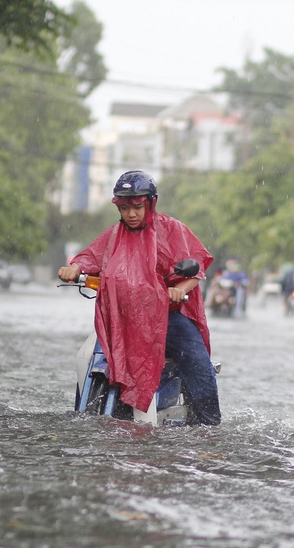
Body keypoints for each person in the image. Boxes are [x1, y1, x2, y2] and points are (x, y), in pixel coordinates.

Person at [58, 170, 221, 425]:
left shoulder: (171, 229)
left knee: (197, 361)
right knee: (87, 356)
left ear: (150, 203)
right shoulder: (113, 236)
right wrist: (75, 268)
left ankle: (209, 425)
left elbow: (197, 267)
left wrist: (181, 289)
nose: (130, 214)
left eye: (136, 207)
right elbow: (90, 257)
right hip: (123, 320)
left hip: (167, 318)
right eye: (124, 208)